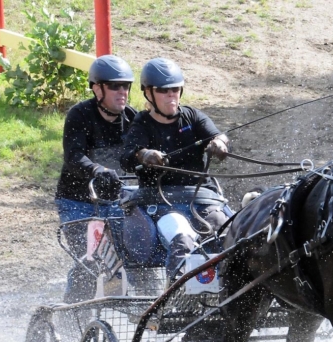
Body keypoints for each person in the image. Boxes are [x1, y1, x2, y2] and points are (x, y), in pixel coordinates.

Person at [120, 57, 231, 279]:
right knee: (182, 236)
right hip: (162, 204)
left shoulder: (193, 116)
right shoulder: (142, 123)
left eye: (175, 88)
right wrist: (145, 155)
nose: (171, 94)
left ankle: (233, 290)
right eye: (163, 90)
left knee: (225, 232)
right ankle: (181, 297)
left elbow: (219, 135)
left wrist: (219, 143)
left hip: (202, 199)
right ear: (148, 93)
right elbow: (127, 156)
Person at [55, 54, 137, 302]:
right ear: (97, 89)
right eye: (115, 86)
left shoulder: (132, 119)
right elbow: (74, 156)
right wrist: (97, 170)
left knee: (138, 257)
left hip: (116, 202)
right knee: (91, 259)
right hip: (77, 202)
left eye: (126, 86)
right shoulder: (79, 115)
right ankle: (73, 312)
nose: (122, 92)